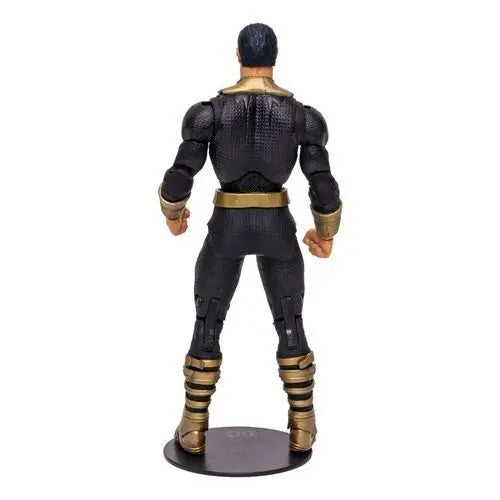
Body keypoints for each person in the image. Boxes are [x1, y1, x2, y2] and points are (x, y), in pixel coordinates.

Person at [159, 23, 341, 454]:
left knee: (207, 323)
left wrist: (173, 213)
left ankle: (193, 427)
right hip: (277, 226)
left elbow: (181, 173)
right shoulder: (302, 117)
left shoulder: (209, 114)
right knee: (291, 324)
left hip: (227, 228)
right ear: (275, 57)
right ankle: (302, 425)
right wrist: (325, 232)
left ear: (238, 54)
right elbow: (322, 181)